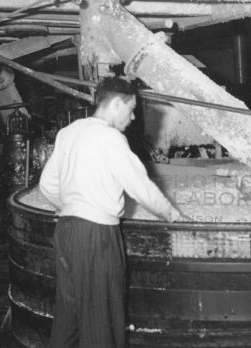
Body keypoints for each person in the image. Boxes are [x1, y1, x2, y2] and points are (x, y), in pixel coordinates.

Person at [39, 77, 187, 348]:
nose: (132, 118)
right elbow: (139, 186)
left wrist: (75, 206)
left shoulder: (69, 132)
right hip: (97, 234)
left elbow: (47, 185)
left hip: (66, 231)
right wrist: (173, 215)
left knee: (69, 316)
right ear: (117, 104)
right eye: (131, 109)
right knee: (102, 318)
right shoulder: (111, 137)